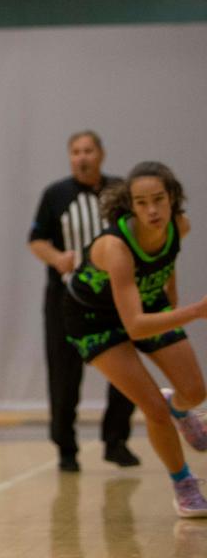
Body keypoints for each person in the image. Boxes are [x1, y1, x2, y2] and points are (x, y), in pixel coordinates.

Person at [64, 161, 207, 517]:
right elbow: (136, 327)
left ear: (173, 197)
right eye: (141, 203)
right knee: (153, 410)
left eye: (159, 199)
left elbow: (167, 261)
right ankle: (184, 486)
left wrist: (171, 302)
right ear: (130, 205)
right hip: (94, 319)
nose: (152, 210)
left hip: (146, 301)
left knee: (196, 392)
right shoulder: (116, 247)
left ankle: (180, 407)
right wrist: (193, 311)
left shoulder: (180, 226)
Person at [29, 131, 138, 472]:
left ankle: (116, 441)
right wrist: (57, 257)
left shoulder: (120, 191)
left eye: (88, 150)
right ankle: (66, 448)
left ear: (101, 154)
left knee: (126, 373)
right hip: (66, 298)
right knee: (64, 376)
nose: (82, 157)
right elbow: (36, 240)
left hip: (113, 298)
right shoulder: (56, 194)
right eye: (75, 151)